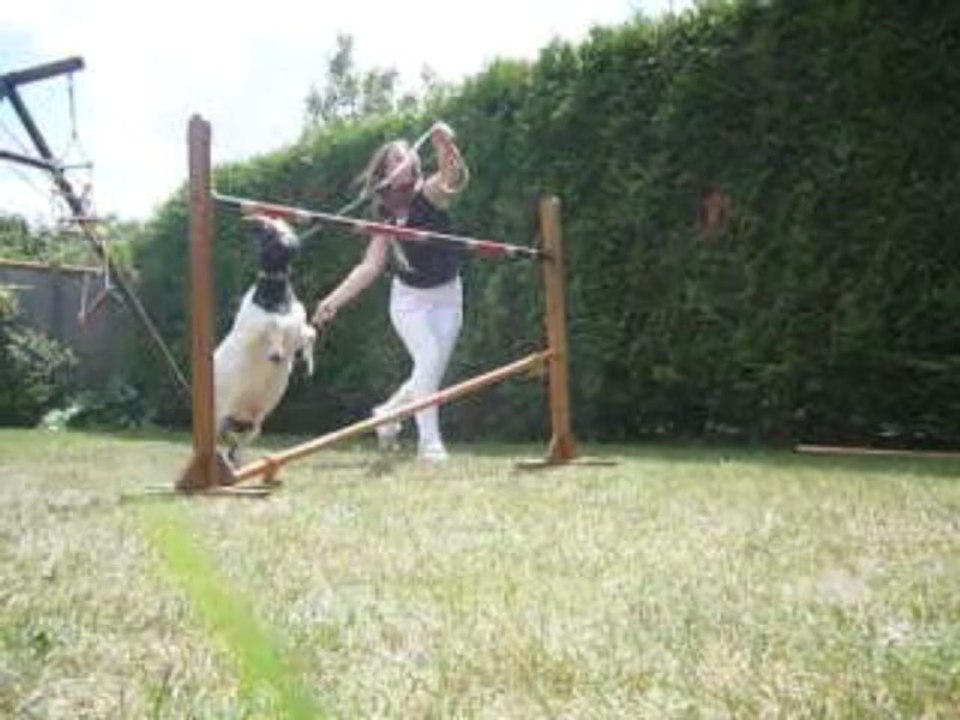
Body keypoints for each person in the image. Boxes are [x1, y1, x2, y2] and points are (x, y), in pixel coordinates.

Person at [312, 123, 469, 462]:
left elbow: (452, 177)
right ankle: (430, 444)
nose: (402, 160)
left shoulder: (428, 193)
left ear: (414, 164)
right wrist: (333, 300)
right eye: (393, 159)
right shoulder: (384, 213)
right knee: (428, 359)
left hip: (448, 294)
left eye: (406, 155)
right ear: (385, 170)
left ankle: (388, 414)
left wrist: (445, 144)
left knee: (430, 371)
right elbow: (369, 267)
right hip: (409, 301)